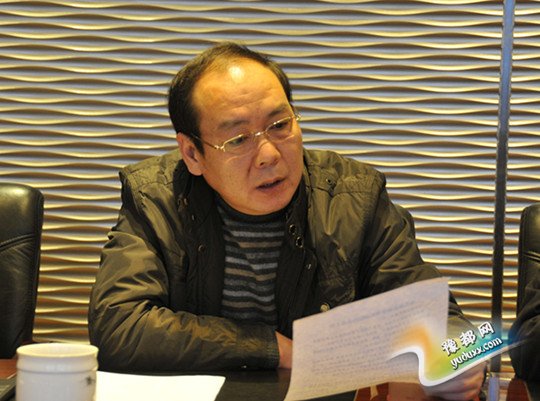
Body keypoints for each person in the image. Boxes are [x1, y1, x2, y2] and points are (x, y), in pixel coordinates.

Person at [88, 42, 485, 399]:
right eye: (237, 139)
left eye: (280, 125)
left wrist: (456, 356)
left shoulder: (353, 197)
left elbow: (436, 315)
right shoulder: (155, 200)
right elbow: (118, 327)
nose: (269, 155)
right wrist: (272, 348)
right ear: (192, 153)